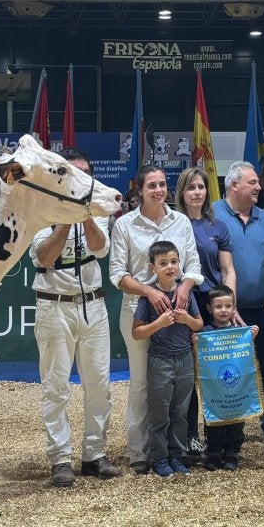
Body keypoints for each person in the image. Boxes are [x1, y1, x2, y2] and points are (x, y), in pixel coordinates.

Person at [30, 147, 120, 487]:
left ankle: (95, 454)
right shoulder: (42, 210)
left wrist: (83, 213)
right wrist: (66, 216)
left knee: (99, 383)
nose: (79, 179)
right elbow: (44, 257)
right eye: (73, 173)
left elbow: (100, 248)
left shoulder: (98, 210)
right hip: (54, 305)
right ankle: (60, 459)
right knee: (56, 387)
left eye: (85, 173)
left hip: (93, 304)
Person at [110, 165, 204, 473]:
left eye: (162, 184)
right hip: (139, 308)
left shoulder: (181, 221)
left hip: (177, 310)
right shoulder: (125, 224)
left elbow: (193, 265)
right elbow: (117, 274)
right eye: (151, 185)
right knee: (141, 383)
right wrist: (149, 292)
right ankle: (140, 452)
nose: (159, 190)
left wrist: (185, 287)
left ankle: (172, 451)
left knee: (176, 387)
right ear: (139, 190)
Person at [213, 162, 264, 448]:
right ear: (234, 185)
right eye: (252, 182)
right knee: (228, 372)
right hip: (224, 314)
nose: (259, 187)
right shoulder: (212, 216)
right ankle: (228, 434)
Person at [176, 166, 236, 456]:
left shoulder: (218, 226)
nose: (197, 192)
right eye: (191, 187)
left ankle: (220, 438)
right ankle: (189, 435)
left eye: (201, 187)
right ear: (182, 192)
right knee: (188, 375)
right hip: (184, 302)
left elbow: (227, 270)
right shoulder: (173, 224)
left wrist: (229, 306)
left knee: (217, 373)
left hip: (214, 304)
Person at [132, 241, 204, 478]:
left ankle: (177, 455)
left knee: (180, 412)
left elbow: (199, 324)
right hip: (160, 361)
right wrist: (159, 323)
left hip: (184, 359)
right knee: (159, 413)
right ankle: (160, 458)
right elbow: (137, 333)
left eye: (174, 262)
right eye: (163, 263)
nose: (170, 267)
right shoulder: (148, 298)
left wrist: (187, 320)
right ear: (152, 267)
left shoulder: (186, 294)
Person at [194, 286, 258, 471]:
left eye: (228, 306)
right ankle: (213, 452)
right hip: (215, 388)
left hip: (236, 387)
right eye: (218, 306)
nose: (223, 310)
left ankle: (232, 452)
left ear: (234, 308)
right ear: (209, 309)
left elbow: (245, 356)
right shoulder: (205, 332)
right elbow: (200, 359)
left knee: (237, 418)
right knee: (214, 418)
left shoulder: (240, 332)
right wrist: (196, 344)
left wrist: (251, 337)